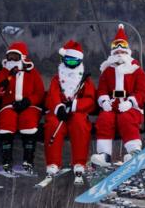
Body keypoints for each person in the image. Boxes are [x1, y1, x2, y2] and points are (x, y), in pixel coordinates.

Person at [91, 24, 145, 166]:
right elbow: (102, 90)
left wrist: (130, 102)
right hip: (112, 106)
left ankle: (134, 150)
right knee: (104, 119)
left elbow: (142, 91)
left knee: (126, 119)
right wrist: (104, 101)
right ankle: (104, 154)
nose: (119, 55)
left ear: (127, 52)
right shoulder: (107, 71)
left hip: (130, 108)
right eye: (116, 52)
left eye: (122, 52)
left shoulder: (135, 70)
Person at [44, 40, 95, 184]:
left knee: (80, 124)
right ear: (63, 61)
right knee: (53, 124)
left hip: (76, 112)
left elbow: (90, 100)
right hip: (60, 113)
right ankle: (53, 163)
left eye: (74, 62)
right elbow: (52, 96)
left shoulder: (85, 81)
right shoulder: (57, 80)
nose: (70, 65)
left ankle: (79, 162)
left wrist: (75, 105)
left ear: (79, 62)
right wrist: (58, 107)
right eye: (68, 62)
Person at [0, 42, 45, 175]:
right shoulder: (5, 73)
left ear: (22, 57)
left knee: (28, 121)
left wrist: (29, 101)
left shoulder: (31, 72)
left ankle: (28, 161)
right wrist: (2, 87)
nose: (12, 60)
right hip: (9, 105)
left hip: (29, 105)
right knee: (6, 121)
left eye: (15, 57)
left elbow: (39, 92)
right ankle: (6, 161)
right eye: (9, 57)